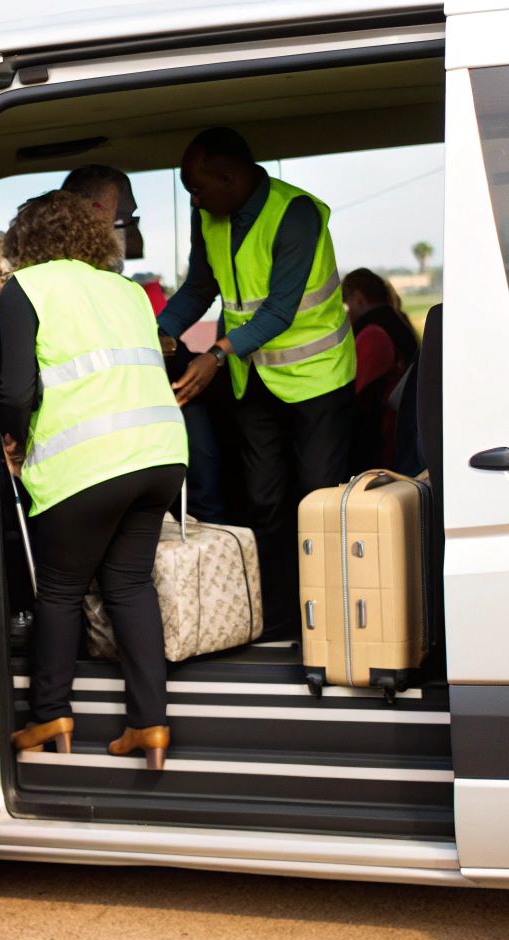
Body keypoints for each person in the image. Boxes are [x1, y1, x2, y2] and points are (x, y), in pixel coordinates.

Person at [0, 191, 188, 768]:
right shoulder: (128, 291)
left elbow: (14, 389)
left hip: (86, 462)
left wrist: (15, 437)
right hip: (159, 455)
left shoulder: (29, 288)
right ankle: (149, 725)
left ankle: (49, 713)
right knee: (130, 587)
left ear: (27, 240)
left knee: (59, 591)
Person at [157, 128, 356, 639]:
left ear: (230, 177)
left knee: (316, 504)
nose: (194, 202)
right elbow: (201, 287)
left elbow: (280, 311)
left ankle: (328, 625)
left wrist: (216, 356)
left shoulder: (297, 214)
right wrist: (157, 332)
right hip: (255, 381)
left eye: (198, 190)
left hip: (318, 378)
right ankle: (277, 621)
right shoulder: (211, 217)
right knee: (263, 503)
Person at [62, 163, 227, 524]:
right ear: (96, 214)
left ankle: (207, 526)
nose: (132, 230)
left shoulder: (120, 286)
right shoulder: (64, 286)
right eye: (126, 218)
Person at [343, 267, 418, 470]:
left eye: (346, 303)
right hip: (402, 431)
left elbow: (354, 390)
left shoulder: (372, 334)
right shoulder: (398, 323)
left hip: (383, 440)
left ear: (357, 298)